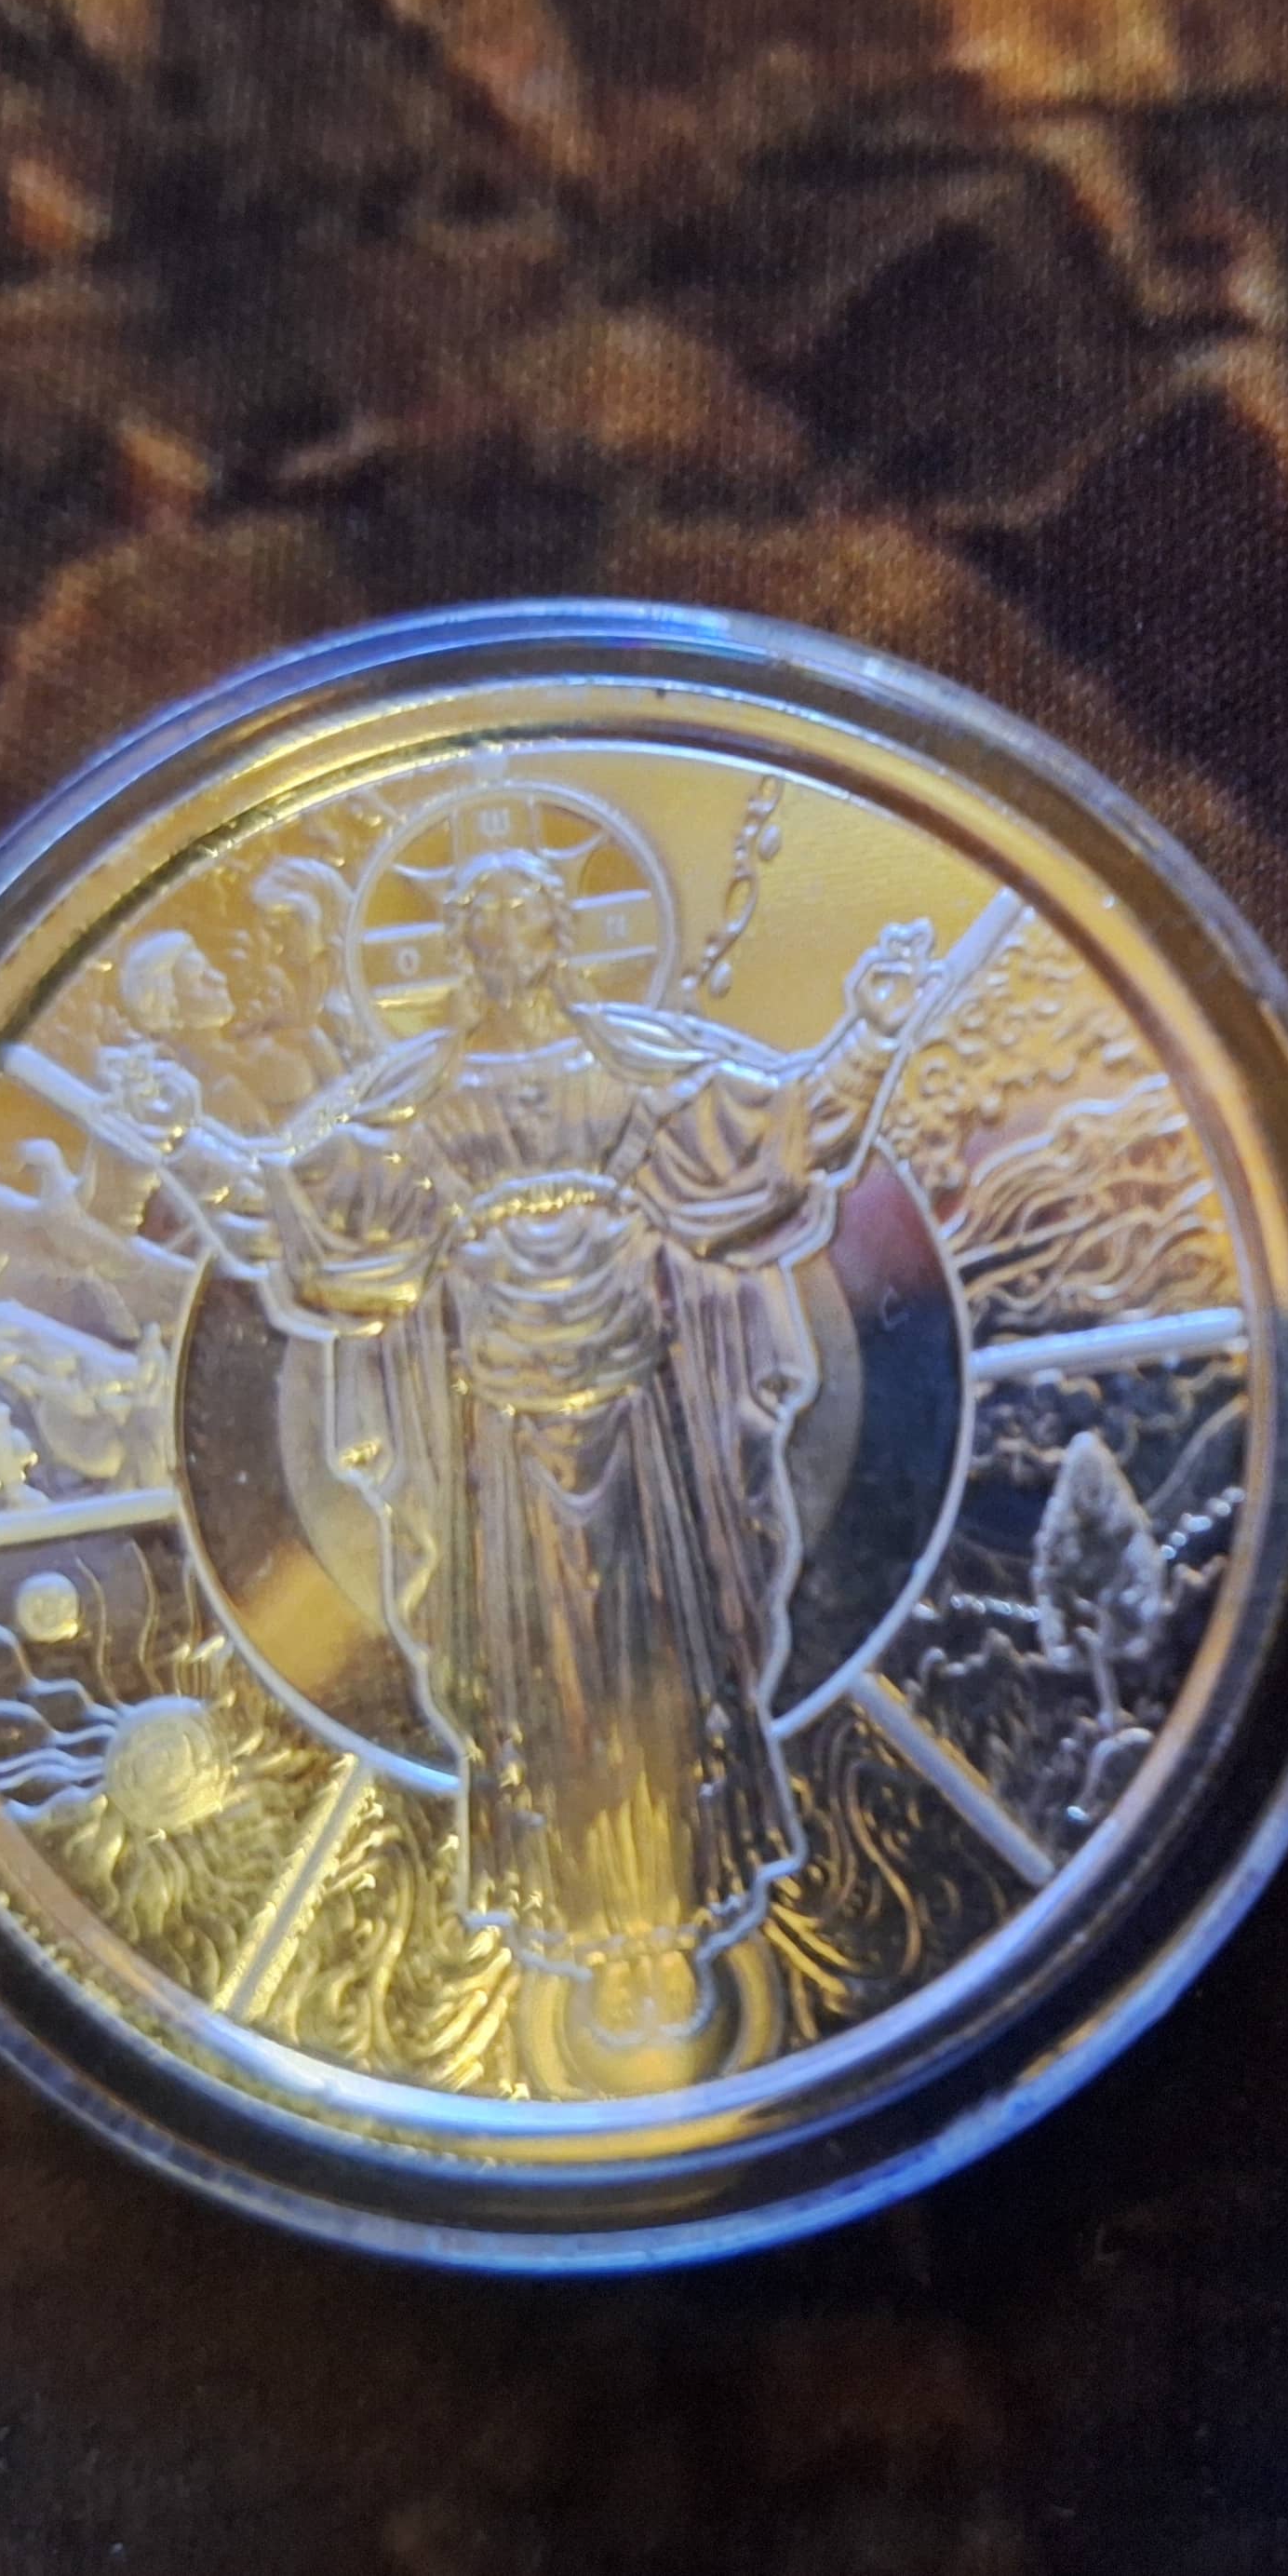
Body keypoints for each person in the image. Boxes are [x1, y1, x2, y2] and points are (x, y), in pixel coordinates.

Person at [260, 847, 933, 2087]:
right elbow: (318, 1219)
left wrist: (873, 1032)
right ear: (461, 952)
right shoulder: (414, 1111)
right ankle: (572, 1895)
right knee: (530, 1671)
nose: (505, 941)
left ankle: (679, 1880)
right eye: (483, 922)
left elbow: (780, 1137)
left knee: (666, 1646)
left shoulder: (639, 1075)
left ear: (560, 939)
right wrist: (192, 1141)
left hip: (648, 1432)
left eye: (527, 918)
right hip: (496, 1451)